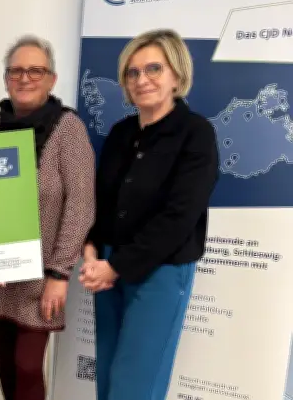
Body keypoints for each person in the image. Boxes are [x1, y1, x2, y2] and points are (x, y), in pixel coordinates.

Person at [80, 28, 219, 400]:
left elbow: (180, 216)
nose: (142, 79)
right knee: (108, 380)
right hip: (107, 268)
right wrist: (91, 250)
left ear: (177, 74)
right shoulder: (120, 133)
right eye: (133, 72)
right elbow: (103, 203)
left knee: (135, 386)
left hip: (160, 270)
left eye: (154, 68)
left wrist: (116, 266)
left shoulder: (196, 133)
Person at [0, 35, 95, 400]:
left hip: (42, 277)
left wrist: (59, 273)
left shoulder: (68, 129)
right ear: (6, 79)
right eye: (16, 71)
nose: (24, 78)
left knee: (27, 365)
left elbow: (81, 204)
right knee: (6, 361)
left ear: (51, 79)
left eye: (35, 70)